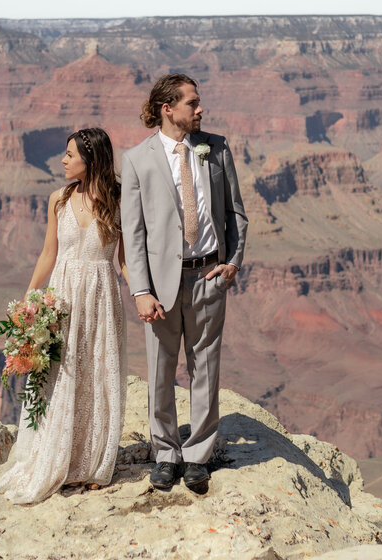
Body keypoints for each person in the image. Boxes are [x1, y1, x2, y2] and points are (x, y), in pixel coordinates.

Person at [121, 73, 248, 494]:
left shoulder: (217, 148)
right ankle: (165, 452)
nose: (200, 110)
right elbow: (133, 232)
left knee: (205, 368)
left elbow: (236, 213)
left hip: (209, 274)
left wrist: (232, 262)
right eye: (192, 103)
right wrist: (141, 290)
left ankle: (197, 455)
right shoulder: (138, 159)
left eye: (199, 102)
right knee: (160, 368)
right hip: (161, 283)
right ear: (167, 108)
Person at [0, 127, 126, 504]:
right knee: (60, 374)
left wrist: (145, 296)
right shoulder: (58, 199)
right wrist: (28, 304)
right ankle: (57, 459)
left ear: (91, 159)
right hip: (63, 296)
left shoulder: (119, 201)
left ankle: (92, 463)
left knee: (97, 374)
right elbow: (48, 255)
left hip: (101, 297)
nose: (63, 161)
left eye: (70, 155)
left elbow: (125, 261)